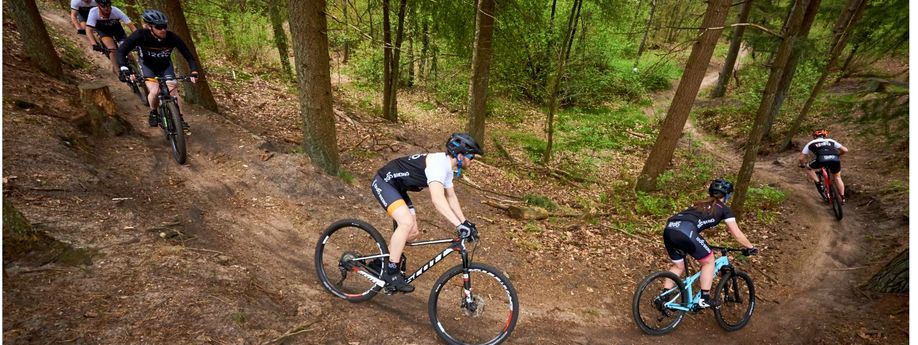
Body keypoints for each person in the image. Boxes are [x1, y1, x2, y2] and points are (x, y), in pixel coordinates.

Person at [370, 133, 483, 292]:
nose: (472, 161)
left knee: (411, 233)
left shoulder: (448, 168)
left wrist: (464, 222)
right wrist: (458, 225)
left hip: (398, 187)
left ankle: (380, 263)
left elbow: (451, 196)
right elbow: (437, 200)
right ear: (459, 156)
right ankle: (391, 272)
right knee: (406, 223)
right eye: (471, 157)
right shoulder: (438, 166)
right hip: (384, 182)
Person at [661, 179, 757, 309]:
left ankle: (664, 298)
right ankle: (704, 299)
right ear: (727, 195)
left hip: (669, 229)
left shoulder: (699, 204)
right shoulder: (724, 209)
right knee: (709, 261)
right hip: (685, 231)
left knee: (678, 266)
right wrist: (750, 247)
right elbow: (737, 234)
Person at [116, 9, 199, 129]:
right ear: (149, 27)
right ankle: (154, 112)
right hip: (147, 66)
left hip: (165, 65)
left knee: (173, 89)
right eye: (159, 27)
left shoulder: (172, 37)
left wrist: (193, 71)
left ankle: (179, 118)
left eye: (165, 26)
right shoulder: (140, 35)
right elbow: (121, 51)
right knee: (155, 92)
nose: (163, 29)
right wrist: (124, 68)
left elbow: (189, 56)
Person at [85, 0, 137, 75]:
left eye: (109, 6)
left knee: (127, 49)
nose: (107, 8)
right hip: (104, 32)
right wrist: (94, 43)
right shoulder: (93, 12)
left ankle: (135, 67)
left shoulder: (116, 11)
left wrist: (137, 39)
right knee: (112, 50)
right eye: (104, 6)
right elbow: (88, 30)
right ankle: (118, 71)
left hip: (117, 31)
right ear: (98, 6)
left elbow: (132, 27)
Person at [798, 129, 849, 204]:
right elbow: (845, 150)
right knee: (837, 177)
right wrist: (838, 155)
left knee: (808, 168)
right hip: (835, 159)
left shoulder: (811, 143)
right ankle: (842, 197)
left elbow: (801, 158)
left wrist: (802, 165)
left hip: (821, 159)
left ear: (814, 137)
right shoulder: (831, 141)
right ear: (825, 136)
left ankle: (819, 183)